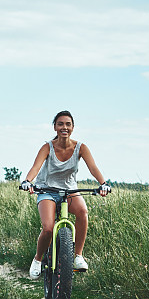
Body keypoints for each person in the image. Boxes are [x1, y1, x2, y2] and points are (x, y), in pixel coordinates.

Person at [20, 110, 111, 279]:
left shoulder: (81, 148)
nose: (64, 127)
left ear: (73, 128)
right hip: (47, 190)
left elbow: (93, 168)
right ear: (55, 127)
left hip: (70, 190)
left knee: (83, 212)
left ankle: (78, 256)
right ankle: (38, 260)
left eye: (68, 124)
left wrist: (103, 184)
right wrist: (27, 181)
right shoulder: (47, 147)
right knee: (48, 228)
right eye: (60, 124)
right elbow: (36, 167)